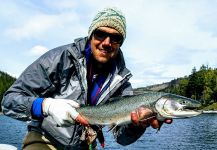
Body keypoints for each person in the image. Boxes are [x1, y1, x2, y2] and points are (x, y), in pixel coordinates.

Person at [1, 7, 172, 150]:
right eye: (100, 34)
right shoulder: (58, 59)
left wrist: (137, 126)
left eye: (115, 38)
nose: (107, 42)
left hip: (86, 146)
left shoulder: (122, 82)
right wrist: (46, 106)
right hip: (45, 139)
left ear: (120, 43)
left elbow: (121, 138)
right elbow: (9, 100)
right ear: (91, 34)